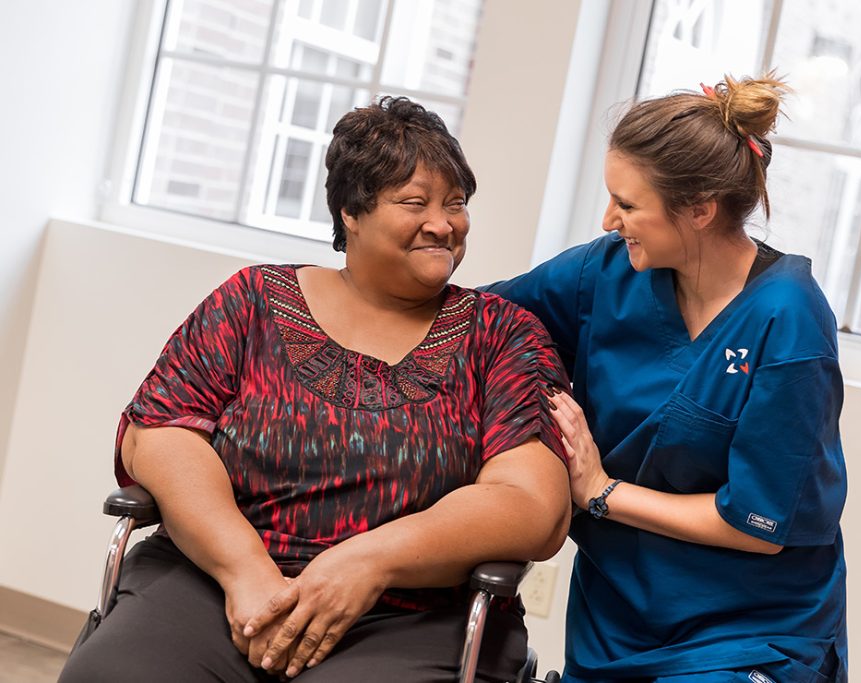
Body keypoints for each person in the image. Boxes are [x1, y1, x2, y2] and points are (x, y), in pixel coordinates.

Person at [59, 96, 572, 683]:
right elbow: (161, 434)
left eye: (456, 204)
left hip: (415, 613)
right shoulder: (252, 300)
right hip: (214, 582)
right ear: (352, 212)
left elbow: (533, 505)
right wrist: (245, 570)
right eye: (415, 203)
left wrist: (369, 560)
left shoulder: (503, 335)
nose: (443, 223)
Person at [483, 74, 848, 682]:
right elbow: (482, 325)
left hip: (750, 632)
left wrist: (601, 490)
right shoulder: (606, 273)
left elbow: (756, 526)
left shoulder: (789, 322)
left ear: (700, 210)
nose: (607, 220)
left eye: (626, 205)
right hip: (614, 625)